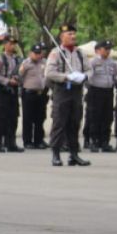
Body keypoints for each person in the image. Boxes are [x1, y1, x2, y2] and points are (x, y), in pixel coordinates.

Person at [44, 23, 90, 167]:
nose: (73, 36)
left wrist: (84, 77)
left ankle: (74, 154)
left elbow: (90, 70)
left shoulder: (80, 53)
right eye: (69, 34)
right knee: (59, 123)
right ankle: (56, 154)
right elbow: (49, 73)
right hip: (62, 90)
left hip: (76, 91)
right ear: (61, 37)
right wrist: (67, 77)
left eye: (74, 34)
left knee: (75, 123)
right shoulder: (56, 52)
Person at [0, 36, 23, 152]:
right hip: (2, 91)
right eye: (10, 43)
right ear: (5, 45)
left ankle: (11, 142)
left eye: (14, 44)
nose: (12, 46)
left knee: (13, 117)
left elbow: (21, 74)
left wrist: (17, 78)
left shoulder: (17, 59)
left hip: (12, 91)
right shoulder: (0, 59)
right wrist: (7, 81)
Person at [85, 40, 116, 153]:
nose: (108, 51)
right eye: (106, 48)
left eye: (109, 49)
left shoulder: (112, 62)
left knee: (107, 117)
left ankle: (105, 142)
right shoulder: (92, 62)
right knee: (95, 117)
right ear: (98, 50)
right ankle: (94, 141)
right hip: (95, 91)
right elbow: (87, 77)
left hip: (108, 92)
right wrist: (91, 89)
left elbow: (115, 75)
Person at [19, 43, 49, 149]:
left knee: (40, 118)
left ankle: (39, 140)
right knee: (28, 118)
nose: (38, 55)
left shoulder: (45, 62)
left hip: (41, 94)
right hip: (29, 93)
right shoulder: (26, 63)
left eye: (39, 53)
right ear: (30, 53)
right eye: (36, 53)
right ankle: (27, 141)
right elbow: (19, 77)